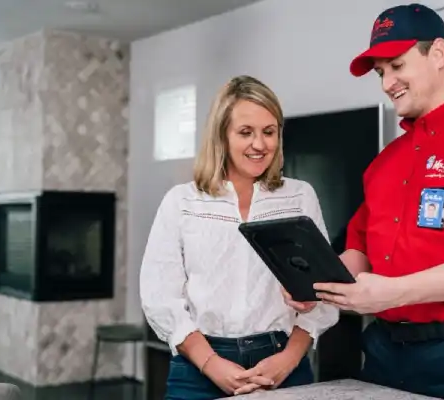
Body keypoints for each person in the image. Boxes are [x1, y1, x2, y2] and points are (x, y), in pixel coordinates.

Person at [284, 4, 444, 400]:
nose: (387, 82)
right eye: (380, 72)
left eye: (396, 65)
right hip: (383, 355)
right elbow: (359, 251)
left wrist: (396, 292)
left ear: (438, 54)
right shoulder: (385, 162)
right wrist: (316, 285)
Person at [140, 75, 339, 400]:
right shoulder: (182, 202)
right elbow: (159, 295)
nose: (259, 144)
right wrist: (211, 364)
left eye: (269, 132)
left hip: (283, 362)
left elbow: (323, 293)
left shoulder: (300, 197)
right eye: (245, 132)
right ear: (222, 136)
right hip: (198, 368)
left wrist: (287, 360)